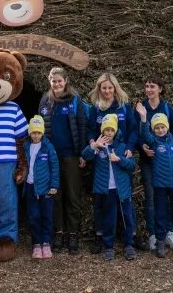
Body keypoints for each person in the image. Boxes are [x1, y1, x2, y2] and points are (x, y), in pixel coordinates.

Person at [134, 76, 173, 251]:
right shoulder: (140, 108)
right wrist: (142, 146)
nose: (148, 89)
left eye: (152, 86)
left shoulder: (167, 108)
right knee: (152, 197)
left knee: (170, 198)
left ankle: (169, 232)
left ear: (160, 88)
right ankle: (154, 234)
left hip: (166, 163)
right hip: (148, 161)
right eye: (146, 86)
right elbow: (135, 131)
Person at [86, 73, 140, 254]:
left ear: (115, 88)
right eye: (104, 88)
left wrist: (130, 148)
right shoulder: (96, 108)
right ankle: (101, 236)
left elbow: (133, 129)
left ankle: (130, 237)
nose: (107, 91)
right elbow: (90, 130)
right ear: (99, 89)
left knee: (126, 199)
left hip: (121, 157)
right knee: (102, 202)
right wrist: (94, 143)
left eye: (110, 88)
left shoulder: (123, 107)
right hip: (102, 158)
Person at [38, 67, 87, 255]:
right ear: (49, 81)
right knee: (55, 195)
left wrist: (83, 153)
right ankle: (58, 232)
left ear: (65, 81)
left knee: (72, 196)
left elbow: (82, 126)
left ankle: (73, 233)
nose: (57, 84)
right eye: (53, 81)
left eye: (60, 81)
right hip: (52, 156)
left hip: (71, 156)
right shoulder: (46, 100)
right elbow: (40, 127)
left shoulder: (75, 100)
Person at [81, 114, 136, 261]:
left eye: (112, 130)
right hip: (106, 189)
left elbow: (131, 164)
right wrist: (94, 145)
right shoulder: (99, 148)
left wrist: (119, 159)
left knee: (126, 217)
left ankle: (128, 245)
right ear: (103, 131)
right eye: (107, 130)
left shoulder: (122, 146)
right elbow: (85, 155)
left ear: (116, 130)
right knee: (109, 218)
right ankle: (109, 247)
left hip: (122, 189)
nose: (109, 133)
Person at [23, 115, 60, 259]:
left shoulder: (48, 146)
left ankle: (46, 243)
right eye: (33, 132)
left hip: (46, 188)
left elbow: (54, 166)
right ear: (30, 133)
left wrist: (54, 185)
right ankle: (36, 244)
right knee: (34, 216)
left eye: (38, 132)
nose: (36, 135)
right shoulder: (26, 146)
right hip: (31, 187)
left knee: (47, 216)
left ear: (43, 133)